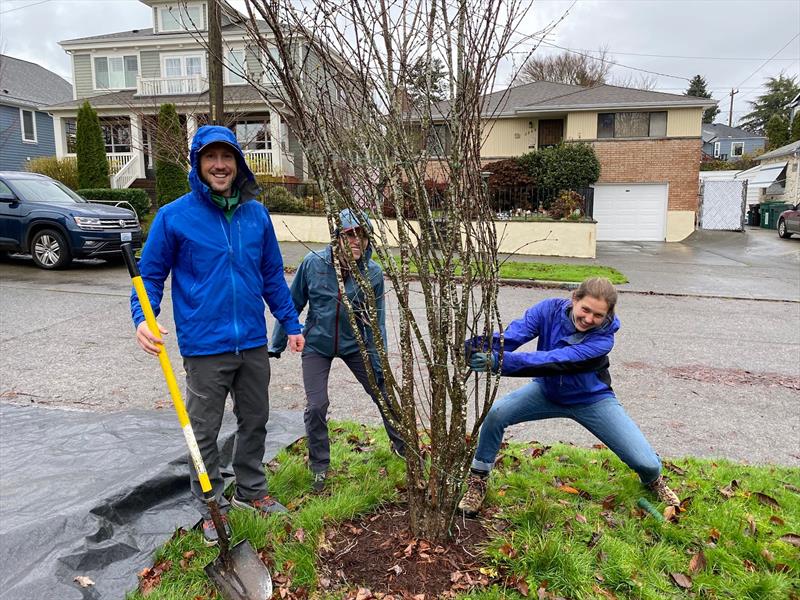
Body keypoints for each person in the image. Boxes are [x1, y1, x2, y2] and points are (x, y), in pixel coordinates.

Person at [130, 125, 305, 546]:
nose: (220, 165)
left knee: (256, 421)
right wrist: (143, 316)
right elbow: (151, 276)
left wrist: (291, 323)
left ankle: (253, 490)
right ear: (198, 164)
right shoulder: (175, 217)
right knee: (203, 431)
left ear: (238, 163)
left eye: (227, 157)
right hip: (204, 346)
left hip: (251, 342)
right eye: (211, 158)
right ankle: (213, 506)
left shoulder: (256, 214)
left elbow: (271, 277)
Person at [458, 277, 680, 517]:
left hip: (592, 400)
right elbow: (512, 336)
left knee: (646, 463)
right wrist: (472, 347)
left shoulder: (603, 339)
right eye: (585, 309)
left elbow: (554, 360)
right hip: (546, 392)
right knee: (496, 414)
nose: (588, 319)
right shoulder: (548, 310)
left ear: (607, 315)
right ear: (574, 299)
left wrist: (500, 362)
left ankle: (653, 479)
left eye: (597, 315)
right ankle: (478, 478)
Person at [270, 209, 405, 492]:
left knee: (383, 392)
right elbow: (292, 304)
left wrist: (379, 363)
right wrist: (277, 343)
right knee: (317, 405)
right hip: (317, 344)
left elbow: (376, 321)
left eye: (363, 235)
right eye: (350, 234)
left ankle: (403, 447)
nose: (357, 241)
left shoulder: (373, 273)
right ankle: (319, 466)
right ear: (337, 237)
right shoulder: (313, 264)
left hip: (355, 344)